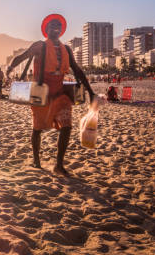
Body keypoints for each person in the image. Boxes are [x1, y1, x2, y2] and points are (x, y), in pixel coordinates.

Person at [7, 14, 95, 175]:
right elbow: (22, 56)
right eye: (52, 25)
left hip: (60, 93)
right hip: (42, 92)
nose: (55, 27)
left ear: (61, 30)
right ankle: (36, 160)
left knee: (67, 126)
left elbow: (77, 71)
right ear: (46, 29)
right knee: (37, 129)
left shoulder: (67, 49)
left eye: (58, 26)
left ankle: (59, 165)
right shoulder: (39, 46)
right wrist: (9, 68)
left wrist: (91, 92)